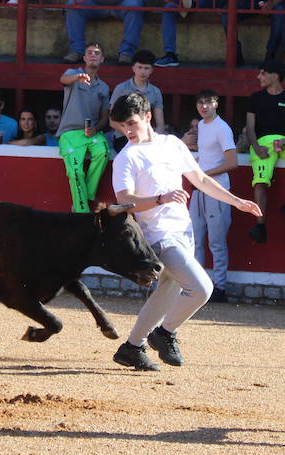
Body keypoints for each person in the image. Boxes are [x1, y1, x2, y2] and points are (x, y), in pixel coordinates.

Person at [109, 90, 261, 371]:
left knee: (168, 291)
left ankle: (132, 347)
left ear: (147, 116)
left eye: (131, 123)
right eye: (122, 126)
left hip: (183, 229)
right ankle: (164, 333)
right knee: (202, 288)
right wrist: (160, 199)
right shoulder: (126, 158)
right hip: (157, 236)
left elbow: (200, 179)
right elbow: (125, 202)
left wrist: (236, 201)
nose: (127, 130)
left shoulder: (171, 145)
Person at [185, 89, 237, 302]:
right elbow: (207, 154)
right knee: (195, 239)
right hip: (201, 188)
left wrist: (204, 174)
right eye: (200, 102)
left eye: (208, 102)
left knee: (216, 241)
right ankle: (199, 285)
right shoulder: (203, 126)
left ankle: (220, 287)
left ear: (216, 104)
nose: (203, 106)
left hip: (216, 189)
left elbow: (232, 162)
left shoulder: (221, 128)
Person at [244, 60, 285, 243]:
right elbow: (250, 128)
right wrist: (256, 147)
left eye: (262, 73)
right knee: (260, 183)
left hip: (284, 142)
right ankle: (260, 225)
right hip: (261, 144)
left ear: (274, 76)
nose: (258, 77)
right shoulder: (255, 98)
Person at [56, 43, 112, 213]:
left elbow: (105, 118)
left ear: (102, 59)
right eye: (89, 53)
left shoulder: (103, 87)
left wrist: (96, 128)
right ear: (84, 58)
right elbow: (62, 80)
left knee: (103, 152)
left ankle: (84, 198)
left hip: (92, 133)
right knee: (75, 173)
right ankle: (82, 213)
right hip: (69, 133)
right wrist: (78, 77)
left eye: (97, 53)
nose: (93, 55)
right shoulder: (73, 73)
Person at [110, 50, 166, 134]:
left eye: (146, 68)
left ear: (151, 70)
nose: (142, 72)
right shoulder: (121, 88)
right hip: (123, 135)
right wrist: (130, 134)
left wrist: (155, 139)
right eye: (139, 67)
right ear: (133, 68)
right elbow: (112, 121)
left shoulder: (155, 91)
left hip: (145, 136)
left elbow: (160, 124)